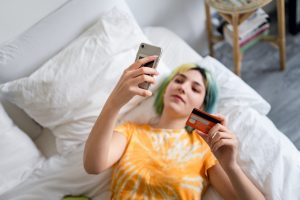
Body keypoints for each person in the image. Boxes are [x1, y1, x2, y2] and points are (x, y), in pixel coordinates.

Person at [83, 56, 265, 200]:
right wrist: (114, 104)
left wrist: (230, 166)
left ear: (201, 107)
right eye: (179, 81)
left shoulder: (204, 148)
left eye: (195, 89)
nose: (183, 88)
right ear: (165, 89)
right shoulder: (131, 132)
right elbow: (93, 165)